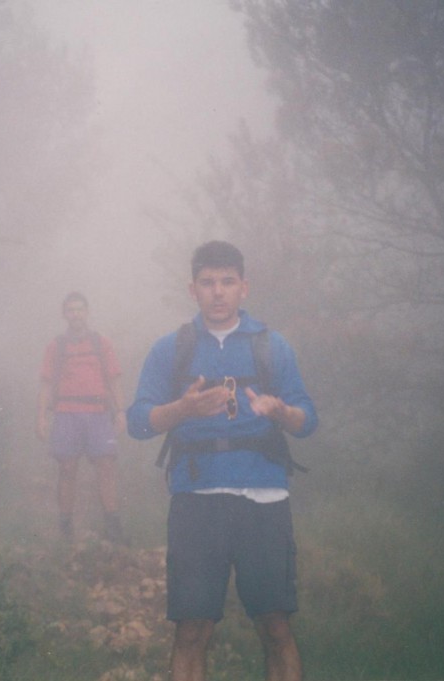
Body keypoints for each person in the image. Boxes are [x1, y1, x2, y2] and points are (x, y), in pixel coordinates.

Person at [127, 241, 318, 681]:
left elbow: (307, 420)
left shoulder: (273, 346)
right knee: (192, 631)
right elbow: (138, 421)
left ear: (244, 288)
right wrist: (182, 410)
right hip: (196, 500)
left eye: (227, 282)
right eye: (208, 282)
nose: (218, 292)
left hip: (264, 499)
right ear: (192, 289)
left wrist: (281, 412)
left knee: (275, 626)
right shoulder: (169, 348)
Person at [37, 292, 126, 542]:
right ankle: (65, 530)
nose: (76, 315)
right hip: (66, 413)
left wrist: (120, 411)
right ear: (65, 315)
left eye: (80, 310)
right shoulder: (56, 346)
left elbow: (114, 380)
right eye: (71, 310)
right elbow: (45, 384)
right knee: (67, 469)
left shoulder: (102, 343)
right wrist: (41, 417)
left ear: (87, 312)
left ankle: (114, 529)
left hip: (98, 414)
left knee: (106, 466)